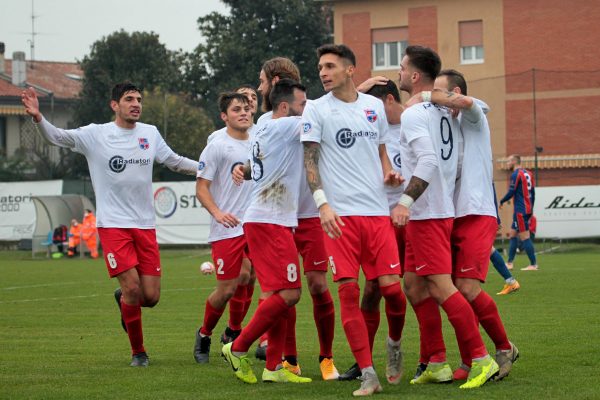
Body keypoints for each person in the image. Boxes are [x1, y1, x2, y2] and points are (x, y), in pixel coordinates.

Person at [21, 82, 198, 367]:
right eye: (129, 99)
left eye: (139, 99)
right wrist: (39, 118)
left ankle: (125, 300)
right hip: (113, 225)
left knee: (150, 297)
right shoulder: (96, 134)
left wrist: (206, 168)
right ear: (114, 105)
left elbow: (175, 161)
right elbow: (58, 137)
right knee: (132, 287)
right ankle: (138, 352)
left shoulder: (150, 134)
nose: (136, 104)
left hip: (145, 226)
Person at [301, 44, 406, 396]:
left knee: (393, 292)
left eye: (330, 66)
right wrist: (322, 204)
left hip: (377, 215)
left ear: (350, 70)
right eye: (320, 67)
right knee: (348, 291)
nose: (323, 72)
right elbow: (310, 160)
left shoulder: (374, 107)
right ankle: (368, 374)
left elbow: (380, 150)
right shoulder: (316, 109)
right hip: (339, 218)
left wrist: (389, 170)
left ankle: (393, 345)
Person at [392, 46, 498, 389]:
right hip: (437, 210)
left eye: (401, 66)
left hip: (428, 213)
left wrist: (405, 201)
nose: (398, 71)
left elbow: (428, 162)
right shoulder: (440, 111)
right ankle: (436, 360)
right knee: (413, 285)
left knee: (442, 286)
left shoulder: (420, 112)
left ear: (414, 75)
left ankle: (482, 359)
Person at [409, 68, 519, 381]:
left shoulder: (473, 117)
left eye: (443, 94)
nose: (438, 101)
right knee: (449, 289)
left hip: (477, 211)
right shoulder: (449, 124)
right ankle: (471, 360)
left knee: (465, 287)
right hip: (451, 215)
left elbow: (475, 103)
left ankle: (503, 347)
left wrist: (425, 94)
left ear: (455, 92)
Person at [252, 57, 339, 381]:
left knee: (317, 285)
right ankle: (287, 361)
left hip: (311, 214)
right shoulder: (268, 120)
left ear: (274, 82)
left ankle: (326, 358)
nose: (259, 86)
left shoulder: (309, 112)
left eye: (262, 80)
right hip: (281, 217)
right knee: (284, 292)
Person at [221, 79, 312, 385]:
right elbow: (325, 114)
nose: (306, 109)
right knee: (290, 292)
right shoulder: (285, 126)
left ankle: (273, 367)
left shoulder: (263, 123)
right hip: (270, 220)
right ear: (285, 108)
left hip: (266, 218)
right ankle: (238, 347)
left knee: (277, 294)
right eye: (302, 104)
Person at [338, 78, 407, 384]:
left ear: (389, 100)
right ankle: (362, 361)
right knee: (370, 291)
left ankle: (403, 347)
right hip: (374, 216)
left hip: (409, 218)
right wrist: (361, 86)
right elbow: (328, 108)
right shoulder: (367, 124)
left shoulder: (413, 122)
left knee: (406, 291)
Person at [193, 92, 254, 363]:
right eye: (236, 109)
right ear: (224, 116)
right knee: (228, 288)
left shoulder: (258, 142)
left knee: (248, 277)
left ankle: (234, 334)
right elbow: (201, 187)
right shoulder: (217, 146)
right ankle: (205, 334)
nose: (243, 112)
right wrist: (217, 213)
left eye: (246, 108)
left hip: (256, 224)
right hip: (227, 229)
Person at [500, 155, 538, 270]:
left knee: (525, 237)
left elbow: (512, 191)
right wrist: (531, 210)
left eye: (508, 161)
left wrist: (502, 200)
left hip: (520, 210)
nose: (507, 164)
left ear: (513, 162)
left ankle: (533, 264)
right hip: (526, 209)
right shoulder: (529, 174)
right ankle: (510, 263)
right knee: (512, 234)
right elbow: (533, 193)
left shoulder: (516, 174)